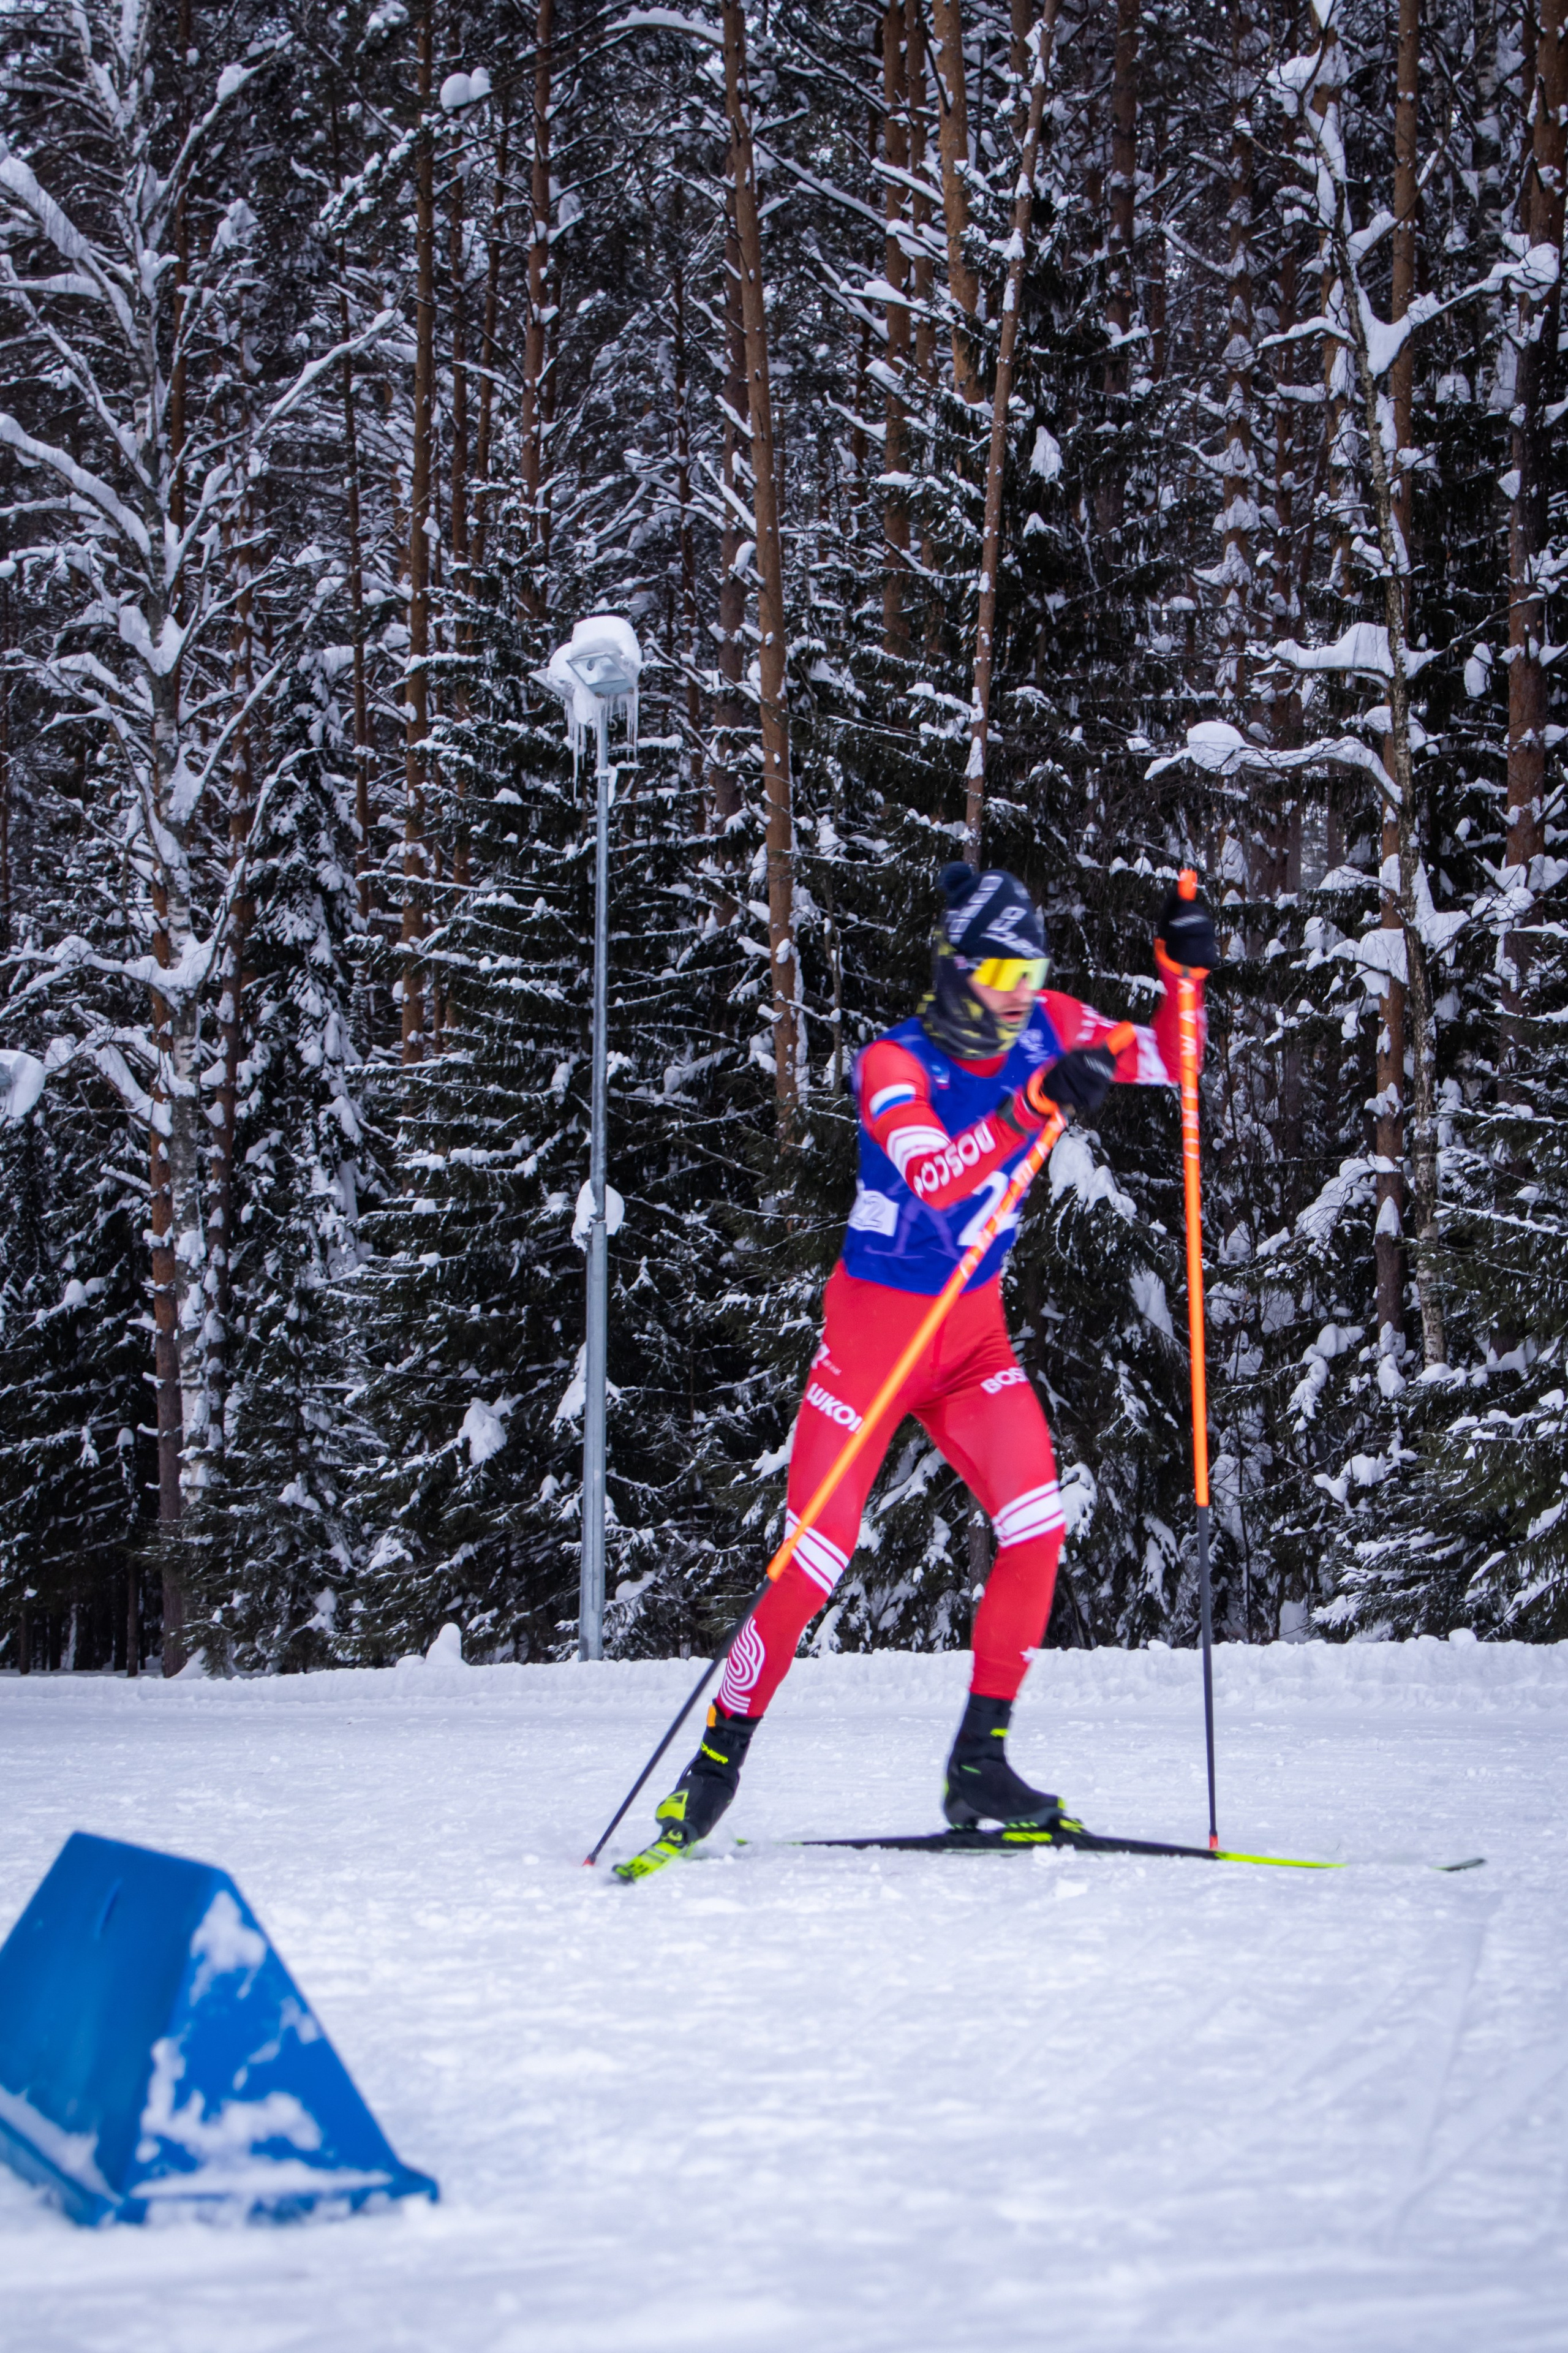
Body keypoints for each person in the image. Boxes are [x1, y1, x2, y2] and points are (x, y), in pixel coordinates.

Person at [647, 862, 1218, 1849]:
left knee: (1036, 1520)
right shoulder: (893, 1064)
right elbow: (941, 1180)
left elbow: (1177, 1061)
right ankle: (716, 1760)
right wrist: (1035, 1106)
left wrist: (1182, 974)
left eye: (1029, 975)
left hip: (968, 1337)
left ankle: (979, 1764)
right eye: (998, 974)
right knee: (811, 1562)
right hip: (874, 1339)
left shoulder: (1049, 1023)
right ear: (956, 968)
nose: (1016, 996)